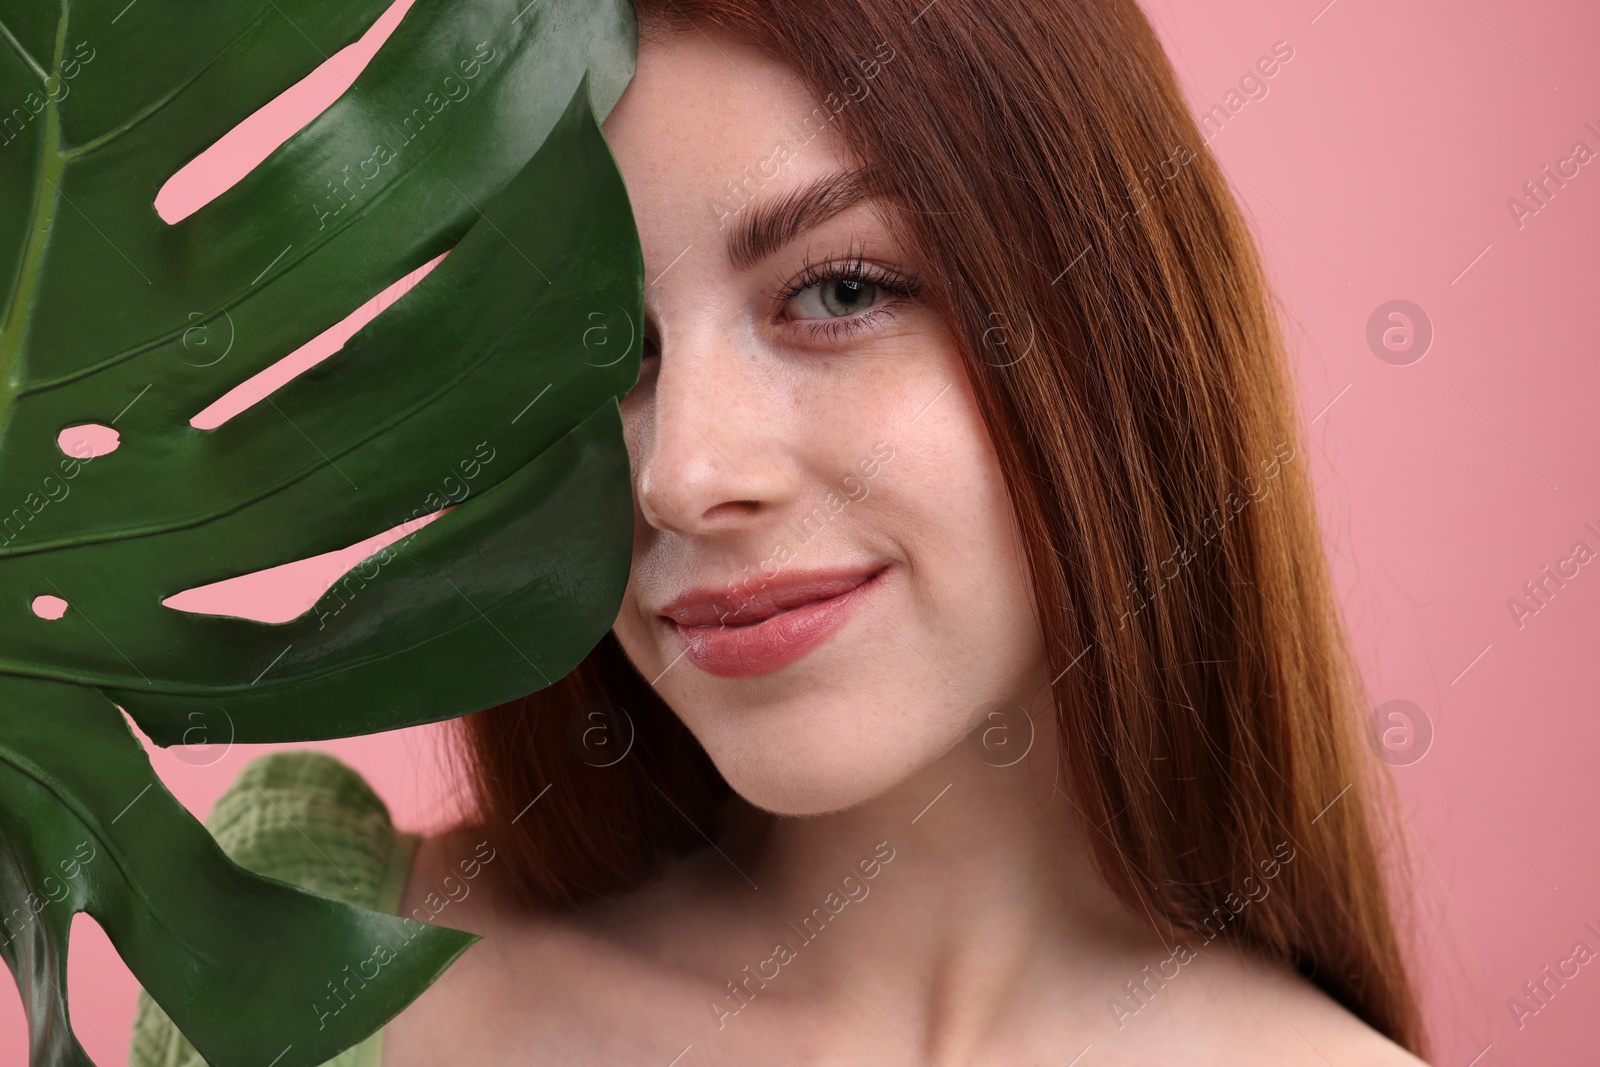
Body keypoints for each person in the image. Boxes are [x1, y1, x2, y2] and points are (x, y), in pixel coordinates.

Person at [132, 1, 1432, 1063]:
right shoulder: (316, 975)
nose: (683, 477)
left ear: (1113, 322)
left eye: (841, 289)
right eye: (598, 352)